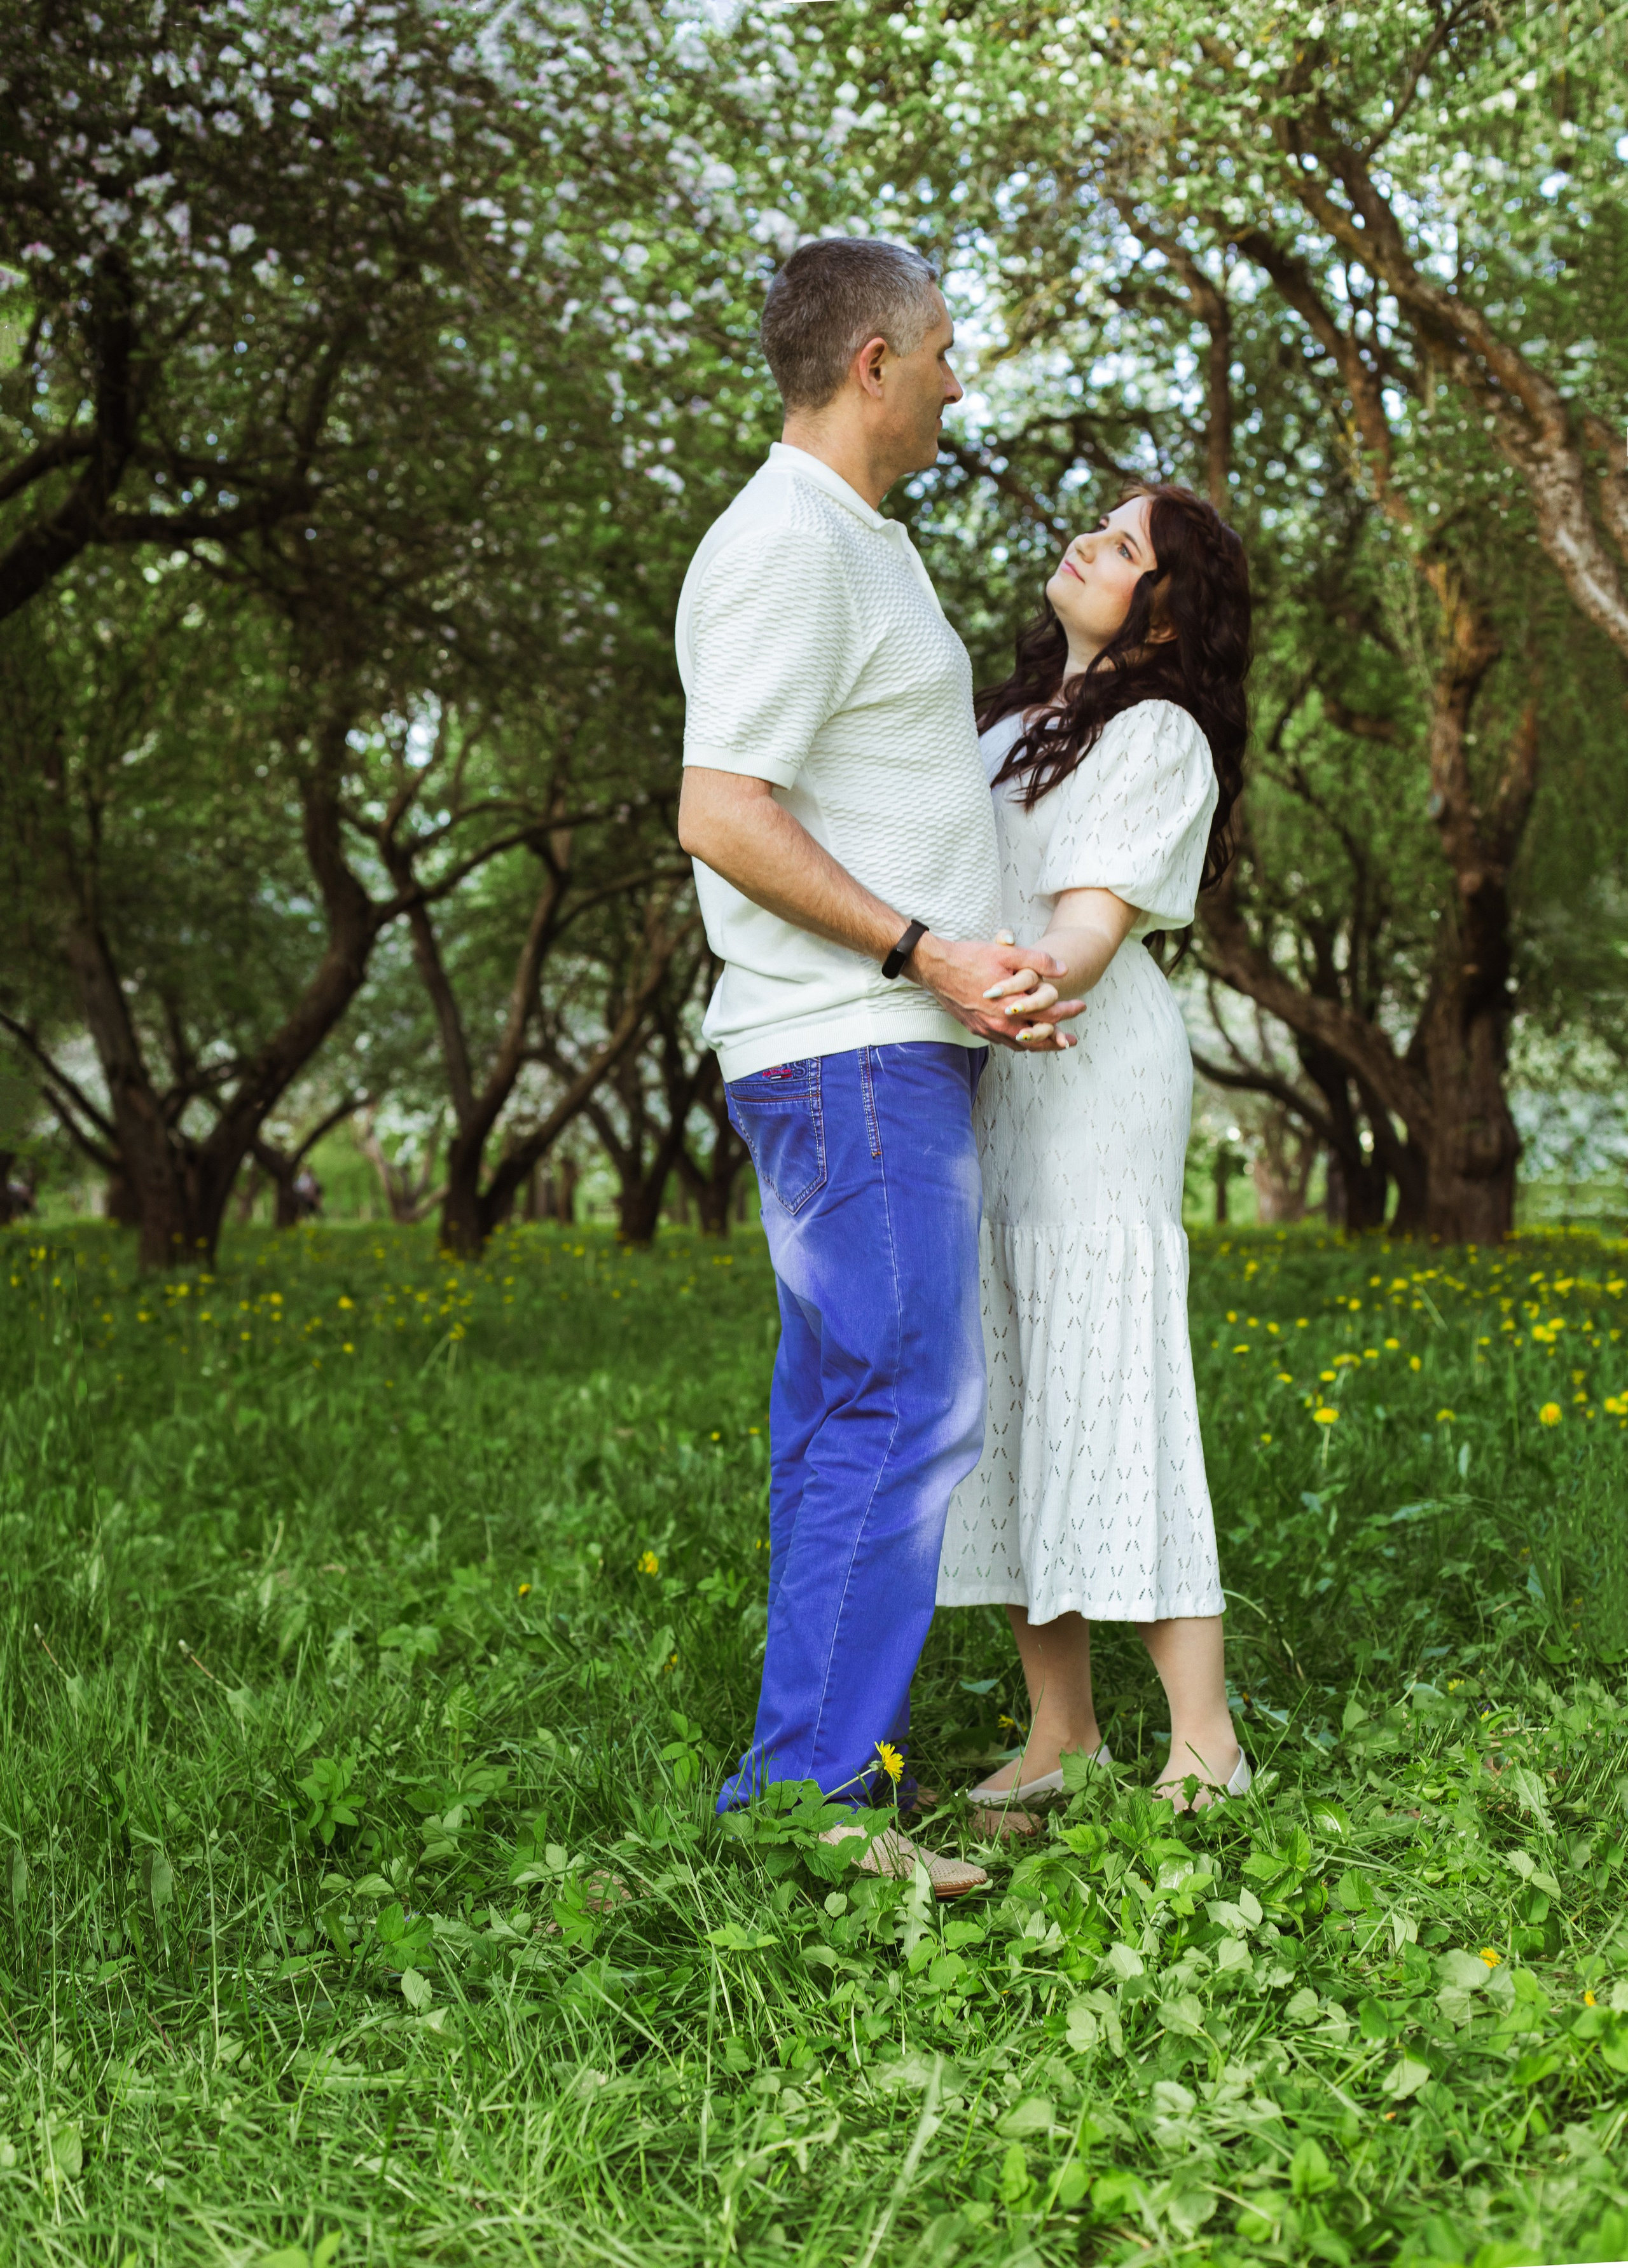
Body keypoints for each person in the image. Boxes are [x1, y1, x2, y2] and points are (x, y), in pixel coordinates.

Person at [675, 238, 1082, 1896]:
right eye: (942, 354)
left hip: (876, 1052)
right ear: (871, 364)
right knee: (899, 1409)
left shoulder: (856, 542)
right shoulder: (787, 545)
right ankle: (814, 1811)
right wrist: (927, 948)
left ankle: (801, 1790)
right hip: (850, 1049)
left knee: (857, 1410)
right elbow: (723, 812)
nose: (955, 382)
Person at [935, 483, 1253, 1820]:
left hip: (1087, 1073)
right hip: (988, 1070)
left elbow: (1085, 929)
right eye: (1096, 525)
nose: (1088, 543)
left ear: (1166, 609)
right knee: (1006, 1382)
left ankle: (1206, 1742)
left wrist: (1019, 987)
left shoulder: (1159, 732)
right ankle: (1059, 1732)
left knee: (1106, 1376)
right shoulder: (1006, 725)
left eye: (1124, 546)